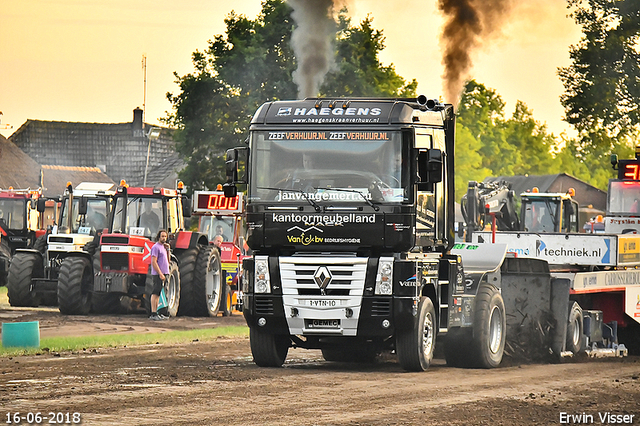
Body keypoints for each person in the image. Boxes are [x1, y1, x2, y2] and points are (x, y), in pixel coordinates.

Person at [149, 229, 170, 320]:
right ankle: (153, 313)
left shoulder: (163, 247)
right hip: (158, 274)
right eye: (162, 236)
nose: (164, 238)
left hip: (165, 273)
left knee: (161, 293)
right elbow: (154, 262)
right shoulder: (156, 247)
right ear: (159, 237)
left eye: (165, 236)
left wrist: (168, 250)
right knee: (155, 293)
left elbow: (168, 261)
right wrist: (160, 274)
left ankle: (159, 312)